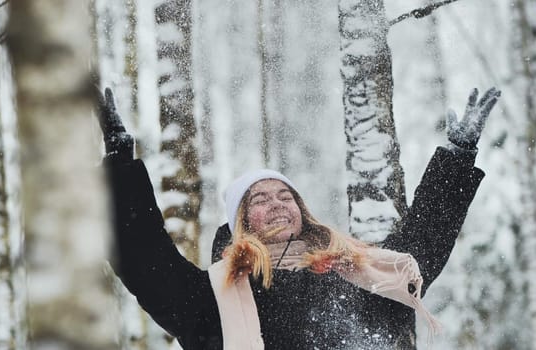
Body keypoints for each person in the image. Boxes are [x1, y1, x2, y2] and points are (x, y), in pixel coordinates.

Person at [97, 87, 501, 349]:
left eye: (285, 195)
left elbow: (419, 248)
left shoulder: (356, 275)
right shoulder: (210, 298)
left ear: (301, 211)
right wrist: (120, 166)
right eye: (260, 198)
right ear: (241, 220)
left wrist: (457, 156)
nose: (277, 203)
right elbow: (145, 262)